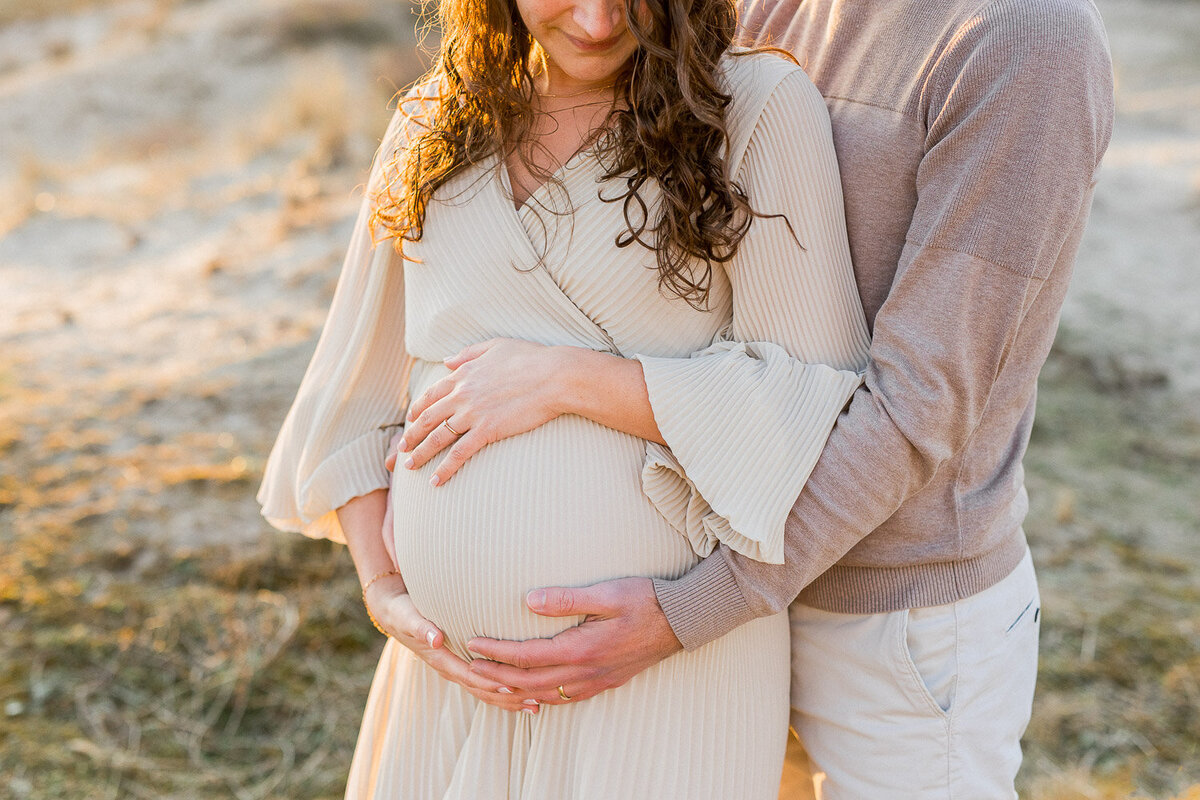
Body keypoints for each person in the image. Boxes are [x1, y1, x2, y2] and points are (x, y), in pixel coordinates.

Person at [388, 0, 1116, 796]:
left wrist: (695, 610)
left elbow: (923, 400)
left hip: (888, 619)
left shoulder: (1025, 37)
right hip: (727, 602)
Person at [257, 0, 874, 793]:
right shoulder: (434, 123)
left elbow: (814, 399)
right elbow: (351, 402)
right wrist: (385, 593)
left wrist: (565, 381)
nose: (596, 18)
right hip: (449, 689)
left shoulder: (751, 108)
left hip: (661, 683)